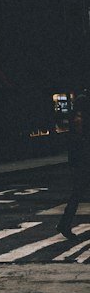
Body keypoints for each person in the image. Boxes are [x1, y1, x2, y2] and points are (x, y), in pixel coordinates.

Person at [58, 97, 89, 240]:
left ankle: (64, 224)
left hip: (80, 163)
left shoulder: (75, 121)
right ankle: (64, 224)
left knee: (76, 195)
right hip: (83, 163)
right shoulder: (80, 122)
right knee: (76, 195)